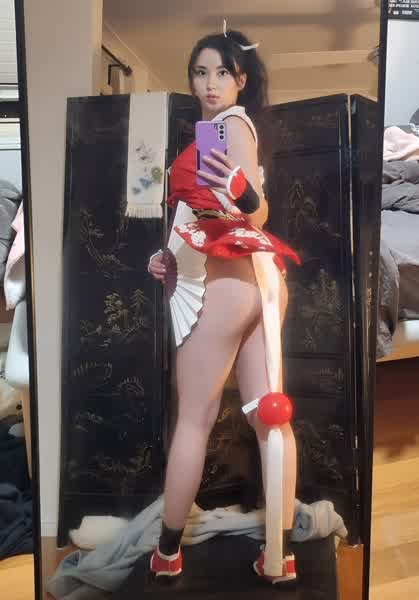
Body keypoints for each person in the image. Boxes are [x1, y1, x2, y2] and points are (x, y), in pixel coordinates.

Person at [148, 23, 300, 584]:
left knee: (194, 417)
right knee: (269, 415)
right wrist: (166, 256)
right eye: (200, 72)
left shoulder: (230, 124)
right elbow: (208, 215)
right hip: (264, 279)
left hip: (228, 280)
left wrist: (241, 190)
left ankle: (167, 553)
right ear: (191, 79)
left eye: (222, 72)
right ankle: (279, 555)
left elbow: (250, 213)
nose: (210, 83)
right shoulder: (225, 130)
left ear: (241, 80)